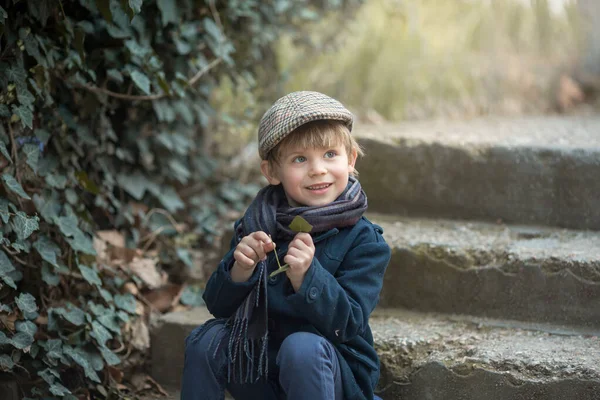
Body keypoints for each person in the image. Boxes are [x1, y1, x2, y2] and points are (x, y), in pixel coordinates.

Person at [181, 91, 391, 400]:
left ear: (351, 160)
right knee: (206, 339)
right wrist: (240, 270)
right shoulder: (255, 224)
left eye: (330, 154)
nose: (317, 169)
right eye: (300, 159)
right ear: (272, 172)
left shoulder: (364, 240)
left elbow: (349, 323)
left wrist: (308, 278)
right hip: (262, 365)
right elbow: (218, 306)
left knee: (301, 347)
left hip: (330, 372)